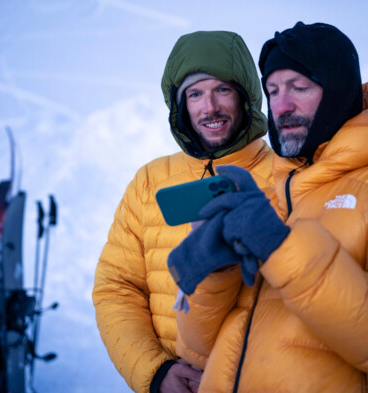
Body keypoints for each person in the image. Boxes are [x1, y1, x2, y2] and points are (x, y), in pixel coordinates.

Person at [168, 22, 368, 392]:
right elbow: (198, 351)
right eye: (273, 90)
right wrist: (214, 273)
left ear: (337, 91)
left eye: (300, 87)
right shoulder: (272, 192)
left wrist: (281, 247)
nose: (282, 106)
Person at [92, 30, 275, 393]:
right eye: (194, 94)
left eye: (222, 89)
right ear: (180, 106)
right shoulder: (150, 181)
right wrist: (156, 373)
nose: (209, 108)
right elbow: (117, 288)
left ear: (246, 96)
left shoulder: (287, 175)